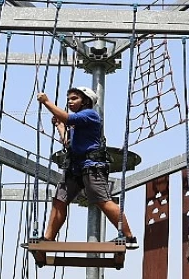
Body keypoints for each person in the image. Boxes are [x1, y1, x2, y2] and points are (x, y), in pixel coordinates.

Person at [36, 87, 139, 249]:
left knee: (103, 201)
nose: (70, 101)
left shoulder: (90, 115)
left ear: (85, 102)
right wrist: (60, 127)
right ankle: (48, 239)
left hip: (91, 166)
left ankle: (129, 237)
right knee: (59, 201)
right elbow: (67, 142)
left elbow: (68, 118)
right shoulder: (76, 124)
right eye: (69, 98)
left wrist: (46, 102)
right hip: (75, 167)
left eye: (74, 98)